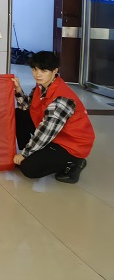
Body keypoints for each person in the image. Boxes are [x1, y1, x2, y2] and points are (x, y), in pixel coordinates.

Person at [13, 51, 95, 183]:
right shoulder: (41, 87)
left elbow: (46, 131)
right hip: (57, 134)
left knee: (28, 169)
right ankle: (33, 153)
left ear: (55, 70)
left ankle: (75, 162)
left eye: (43, 70)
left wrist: (25, 154)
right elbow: (27, 107)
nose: (37, 74)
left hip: (72, 145)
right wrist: (18, 90)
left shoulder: (62, 99)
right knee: (20, 114)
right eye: (34, 69)